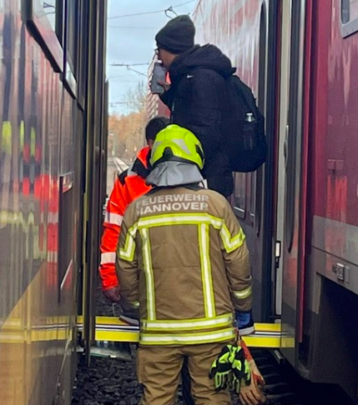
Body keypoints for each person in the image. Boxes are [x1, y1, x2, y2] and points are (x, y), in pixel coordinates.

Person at [116, 124, 254, 405]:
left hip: (158, 334)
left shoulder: (137, 210)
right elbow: (238, 264)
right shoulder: (216, 206)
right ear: (195, 158)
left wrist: (139, 307)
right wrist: (243, 309)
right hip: (212, 333)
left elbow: (126, 268)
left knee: (156, 399)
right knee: (212, 398)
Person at [153, 15, 235, 197]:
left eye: (159, 49)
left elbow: (206, 130)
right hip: (200, 175)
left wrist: (183, 163)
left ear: (172, 49)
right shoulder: (191, 76)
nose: (158, 55)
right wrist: (168, 95)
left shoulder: (200, 78)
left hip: (205, 178)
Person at [100, 116, 169, 325]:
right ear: (150, 143)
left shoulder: (191, 177)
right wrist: (110, 280)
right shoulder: (126, 182)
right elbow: (113, 232)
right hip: (142, 284)